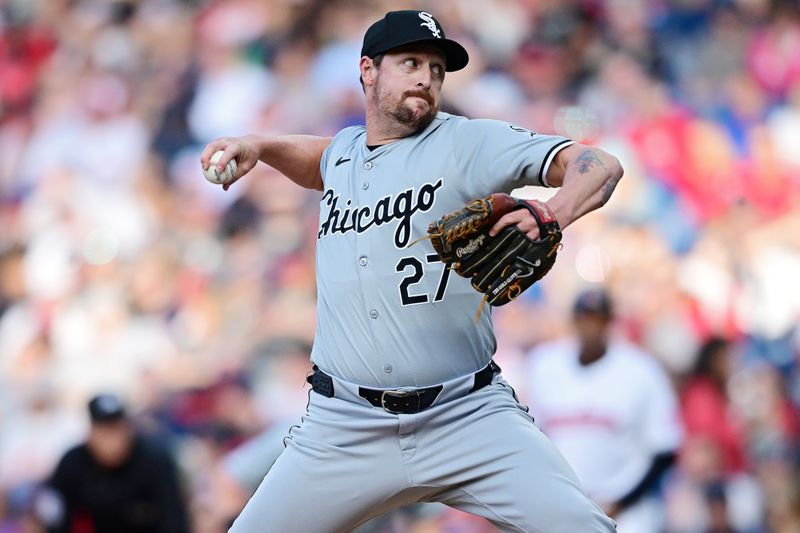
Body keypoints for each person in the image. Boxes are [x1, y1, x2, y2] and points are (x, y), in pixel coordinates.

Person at [202, 10, 623, 532]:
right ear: (368, 71)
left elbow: (600, 165)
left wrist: (552, 212)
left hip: (467, 417)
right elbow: (317, 160)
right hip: (345, 427)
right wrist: (260, 146)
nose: (427, 77)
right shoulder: (345, 154)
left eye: (437, 68)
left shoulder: (465, 142)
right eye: (410, 63)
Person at [525, 288, 683, 533]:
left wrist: (620, 502)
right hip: (563, 509)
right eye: (585, 319)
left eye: (598, 320)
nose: (591, 327)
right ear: (574, 322)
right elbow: (531, 439)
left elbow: (665, 449)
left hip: (627, 514)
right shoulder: (545, 365)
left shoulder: (641, 369)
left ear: (610, 323)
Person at [38, 393, 190, 533]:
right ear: (90, 433)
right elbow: (55, 516)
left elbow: (174, 520)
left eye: (116, 430)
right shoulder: (73, 463)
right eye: (103, 431)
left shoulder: (154, 461)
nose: (111, 441)